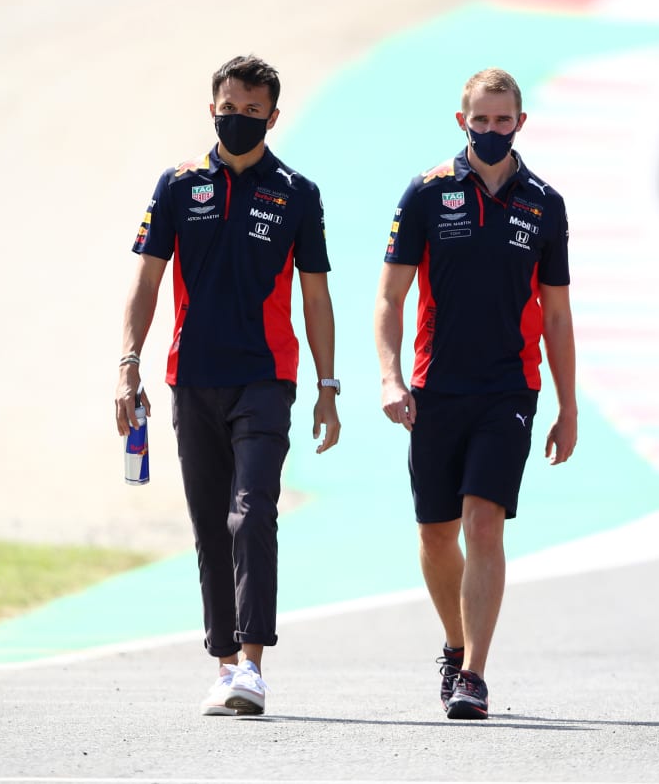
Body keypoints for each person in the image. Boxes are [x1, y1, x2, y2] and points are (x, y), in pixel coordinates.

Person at [114, 54, 342, 717]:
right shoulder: (177, 186)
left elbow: (316, 295)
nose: (238, 119)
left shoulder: (298, 194)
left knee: (252, 513)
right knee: (211, 525)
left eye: (252, 111)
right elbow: (147, 279)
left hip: (267, 378)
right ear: (211, 108)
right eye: (228, 107)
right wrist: (128, 362)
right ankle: (223, 665)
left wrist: (327, 385)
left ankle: (252, 665)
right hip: (191, 379)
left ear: (273, 116)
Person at [374, 68, 577, 720]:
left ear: (521, 122)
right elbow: (389, 298)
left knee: (483, 522)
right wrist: (390, 376)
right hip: (436, 388)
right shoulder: (426, 194)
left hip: (509, 389)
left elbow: (556, 315)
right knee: (437, 534)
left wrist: (568, 407)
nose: (491, 131)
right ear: (461, 121)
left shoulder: (544, 202)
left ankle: (474, 676)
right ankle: (456, 646)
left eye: (503, 120)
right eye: (480, 121)